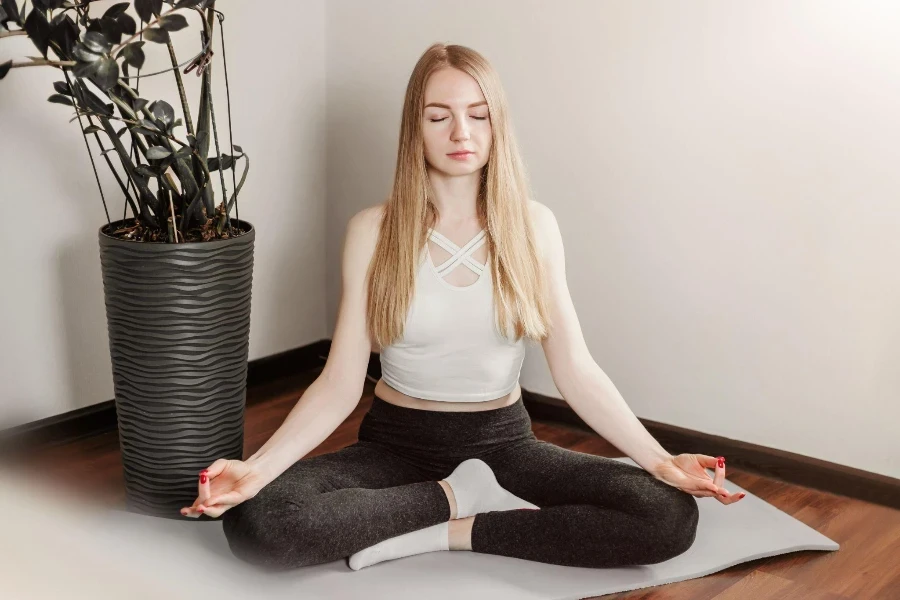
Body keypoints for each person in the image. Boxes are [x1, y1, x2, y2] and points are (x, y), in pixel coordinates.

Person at [181, 42, 745, 572]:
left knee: (667, 516)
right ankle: (453, 497)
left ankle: (454, 529)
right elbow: (339, 383)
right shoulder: (372, 232)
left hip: (504, 443)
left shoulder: (534, 226)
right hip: (396, 445)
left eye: (478, 114)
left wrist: (659, 460)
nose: (460, 132)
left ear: (497, 123)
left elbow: (576, 370)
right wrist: (257, 471)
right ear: (415, 128)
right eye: (438, 116)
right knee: (261, 523)